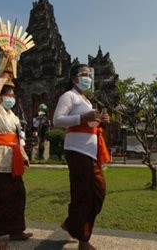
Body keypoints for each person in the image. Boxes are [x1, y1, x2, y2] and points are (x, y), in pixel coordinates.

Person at [53, 64, 110, 250]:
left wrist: (101, 121)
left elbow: (90, 124)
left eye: (89, 75)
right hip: (77, 150)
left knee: (89, 193)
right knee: (89, 193)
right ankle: (83, 239)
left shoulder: (85, 100)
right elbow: (57, 120)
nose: (88, 78)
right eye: (84, 74)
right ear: (75, 78)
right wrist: (83, 118)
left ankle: (72, 224)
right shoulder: (68, 96)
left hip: (89, 150)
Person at [0, 73, 32, 250]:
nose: (10, 98)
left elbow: (17, 139)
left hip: (12, 159)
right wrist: (5, 75)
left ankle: (16, 229)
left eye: (12, 95)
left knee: (18, 194)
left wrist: (24, 156)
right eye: (7, 94)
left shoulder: (14, 117)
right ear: (0, 96)